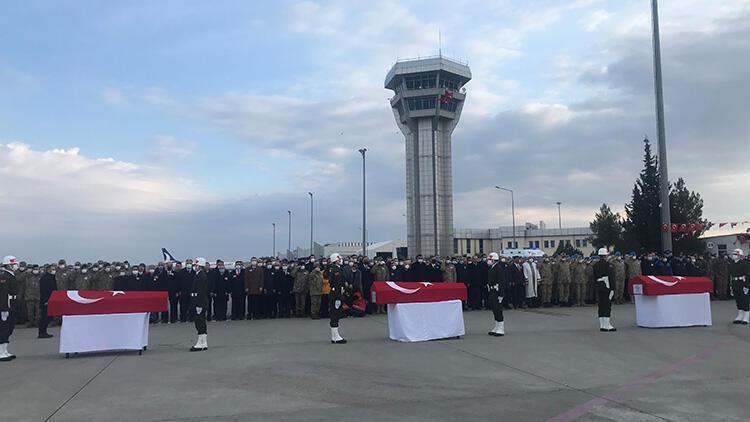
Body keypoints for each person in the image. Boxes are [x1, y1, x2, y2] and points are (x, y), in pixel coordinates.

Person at [0, 255, 20, 361]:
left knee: (9, 328)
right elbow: (3, 294)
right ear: (8, 266)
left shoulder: (10, 276)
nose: (15, 266)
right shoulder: (4, 277)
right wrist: (4, 309)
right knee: (4, 328)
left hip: (12, 303)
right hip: (7, 304)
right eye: (13, 264)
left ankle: (4, 350)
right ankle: (0, 352)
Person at [593, 248, 616, 332]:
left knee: (601, 305)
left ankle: (602, 325)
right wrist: (613, 288)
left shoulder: (595, 265)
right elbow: (611, 277)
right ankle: (607, 325)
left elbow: (594, 277)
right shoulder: (608, 265)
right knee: (607, 305)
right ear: (606, 255)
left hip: (599, 286)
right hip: (607, 286)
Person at [190, 258, 209, 352]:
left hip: (200, 303)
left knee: (200, 323)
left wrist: (199, 305)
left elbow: (201, 292)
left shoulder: (201, 276)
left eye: (195, 265)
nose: (194, 267)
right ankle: (202, 342)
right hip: (198, 302)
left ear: (199, 266)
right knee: (200, 323)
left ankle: (201, 343)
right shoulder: (199, 275)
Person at [327, 253, 347, 344]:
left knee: (336, 314)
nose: (341, 261)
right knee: (335, 314)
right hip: (336, 295)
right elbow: (337, 284)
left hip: (336, 294)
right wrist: (339, 297)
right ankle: (335, 337)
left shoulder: (335, 269)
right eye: (339, 259)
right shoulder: (335, 270)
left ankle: (335, 336)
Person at [486, 252, 506, 337]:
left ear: (494, 260)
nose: (488, 261)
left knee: (498, 309)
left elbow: (501, 282)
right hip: (492, 291)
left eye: (490, 259)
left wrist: (501, 294)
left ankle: (501, 328)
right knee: (494, 309)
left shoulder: (498, 268)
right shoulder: (492, 268)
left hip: (497, 291)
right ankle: (496, 326)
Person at [728, 249, 750, 325]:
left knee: (744, 300)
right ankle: (740, 315)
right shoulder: (731, 264)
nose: (734, 255)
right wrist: (730, 286)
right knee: (738, 300)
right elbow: (730, 275)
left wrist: (746, 286)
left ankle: (746, 316)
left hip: (742, 283)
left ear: (740, 256)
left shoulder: (745, 263)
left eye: (736, 254)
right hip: (735, 283)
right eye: (733, 254)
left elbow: (748, 275)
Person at [38, 265, 57, 339]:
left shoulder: (52, 277)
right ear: (48, 270)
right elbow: (44, 291)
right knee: (44, 317)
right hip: (46, 300)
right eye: (52, 269)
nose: (54, 270)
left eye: (54, 269)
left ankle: (44, 332)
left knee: (47, 317)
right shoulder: (45, 278)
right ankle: (42, 333)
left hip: (51, 299)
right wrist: (46, 300)